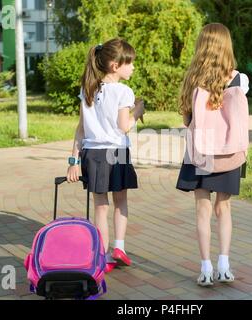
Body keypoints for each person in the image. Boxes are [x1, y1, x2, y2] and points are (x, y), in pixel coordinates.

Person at [176, 23, 250, 286]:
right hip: (229, 151)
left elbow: (187, 120)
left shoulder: (191, 80)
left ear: (201, 46)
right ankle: (224, 265)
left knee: (202, 210)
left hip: (201, 152)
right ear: (226, 46)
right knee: (224, 208)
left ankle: (205, 268)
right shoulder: (240, 80)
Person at [66, 38, 145, 273]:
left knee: (100, 205)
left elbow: (80, 129)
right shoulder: (124, 91)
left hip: (93, 154)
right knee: (121, 200)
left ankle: (101, 254)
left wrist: (73, 161)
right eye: (129, 63)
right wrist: (138, 111)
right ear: (115, 65)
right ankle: (118, 248)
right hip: (117, 152)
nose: (132, 67)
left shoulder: (88, 89)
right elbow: (124, 126)